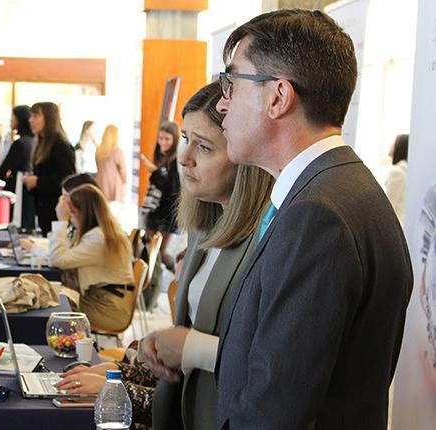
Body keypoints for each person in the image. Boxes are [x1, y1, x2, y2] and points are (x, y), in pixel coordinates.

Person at [148, 10, 413, 429]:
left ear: (277, 97)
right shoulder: (338, 188)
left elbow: (272, 410)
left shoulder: (316, 214)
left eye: (231, 84)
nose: (222, 101)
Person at [58, 83, 274, 430]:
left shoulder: (265, 242)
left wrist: (119, 386)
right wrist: (123, 372)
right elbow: (182, 359)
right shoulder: (205, 232)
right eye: (185, 140)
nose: (184, 158)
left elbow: (254, 362)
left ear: (242, 156)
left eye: (203, 147)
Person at [50, 183, 134, 332]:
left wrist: (61, 221)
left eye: (72, 213)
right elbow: (64, 255)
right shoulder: (101, 233)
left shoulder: (99, 238)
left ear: (84, 213)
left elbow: (58, 260)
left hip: (107, 308)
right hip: (103, 300)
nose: (71, 219)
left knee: (52, 310)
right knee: (53, 299)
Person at [23, 102, 76, 235]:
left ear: (48, 118)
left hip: (57, 214)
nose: (31, 120)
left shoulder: (61, 146)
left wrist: (38, 182)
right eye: (31, 116)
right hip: (44, 213)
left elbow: (67, 180)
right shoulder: (41, 145)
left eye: (35, 116)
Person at [140, 121, 181, 272]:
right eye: (160, 138)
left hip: (166, 215)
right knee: (151, 252)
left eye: (167, 139)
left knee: (158, 254)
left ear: (175, 139)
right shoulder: (164, 158)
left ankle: (178, 277)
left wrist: (155, 172)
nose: (162, 142)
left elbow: (173, 190)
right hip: (157, 212)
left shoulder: (176, 161)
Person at [0, 105, 35, 229]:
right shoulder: (35, 141)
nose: (10, 120)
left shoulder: (20, 144)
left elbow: (2, 171)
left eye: (13, 117)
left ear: (19, 119)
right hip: (31, 193)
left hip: (18, 191)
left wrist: (9, 176)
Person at [95, 124, 127, 214]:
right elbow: (123, 170)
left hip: (101, 182)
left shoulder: (99, 150)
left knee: (103, 210)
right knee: (115, 213)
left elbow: (98, 166)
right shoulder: (117, 151)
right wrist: (124, 182)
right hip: (114, 184)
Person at [386, 134, 409, 226]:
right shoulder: (405, 170)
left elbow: (388, 206)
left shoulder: (397, 172)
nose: (391, 145)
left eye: (393, 143)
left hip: (395, 226)